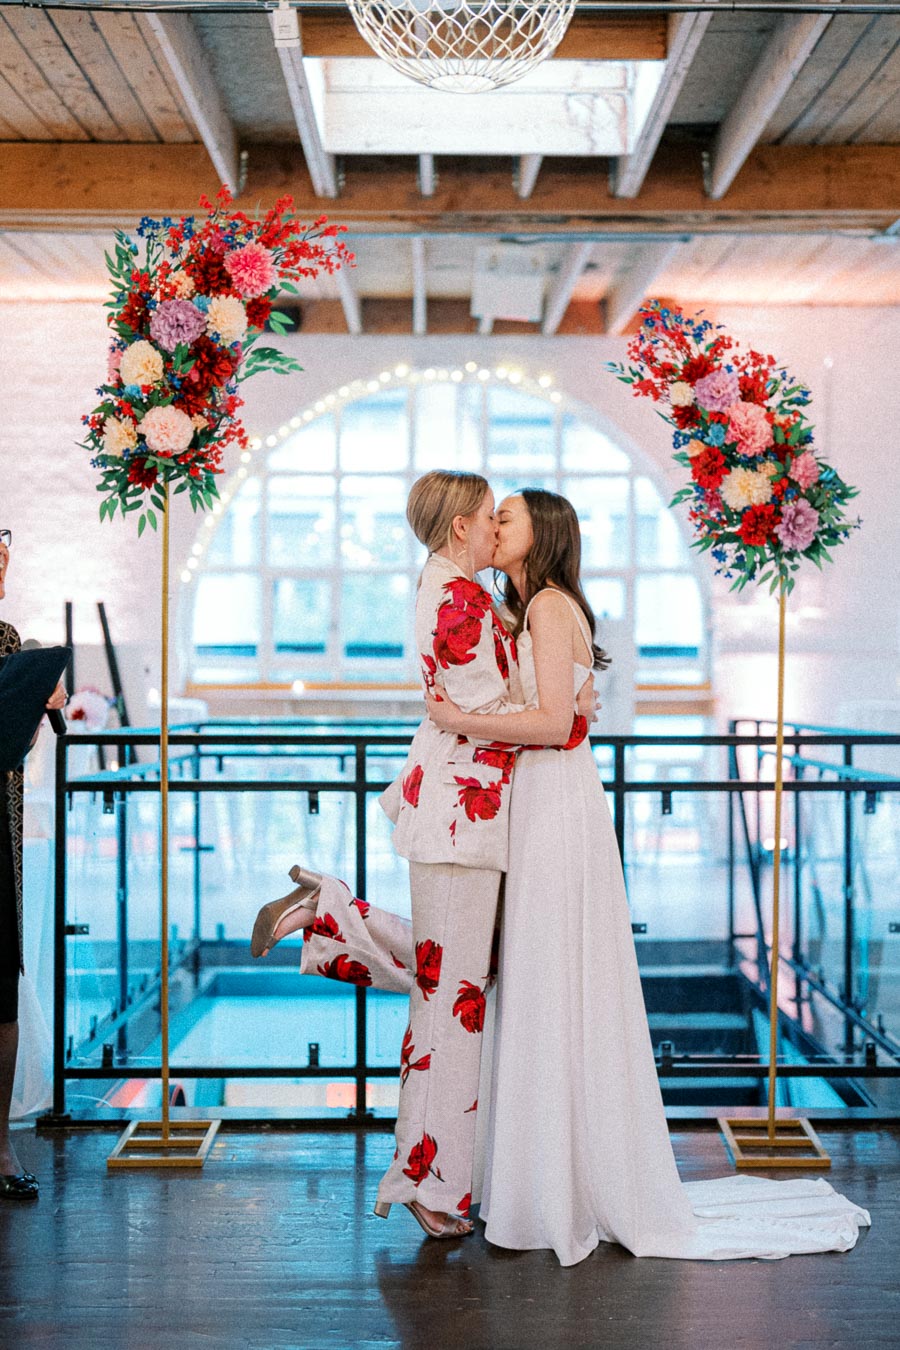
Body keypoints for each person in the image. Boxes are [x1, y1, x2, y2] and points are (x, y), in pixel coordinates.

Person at [250, 472, 595, 1240]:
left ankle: (330, 912)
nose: (496, 530)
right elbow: (496, 714)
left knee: (457, 979)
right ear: (464, 526)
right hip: (461, 816)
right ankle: (426, 1183)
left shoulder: (456, 592)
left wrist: (562, 697)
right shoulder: (461, 599)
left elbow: (490, 705)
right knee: (454, 1000)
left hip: (458, 813)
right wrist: (568, 713)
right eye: (490, 519)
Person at [0, 528, 67, 1201]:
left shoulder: (8, 637)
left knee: (2, 985)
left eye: (5, 549)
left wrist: (40, 703)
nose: (2, 562)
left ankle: (1, 1145)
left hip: (0, 827)